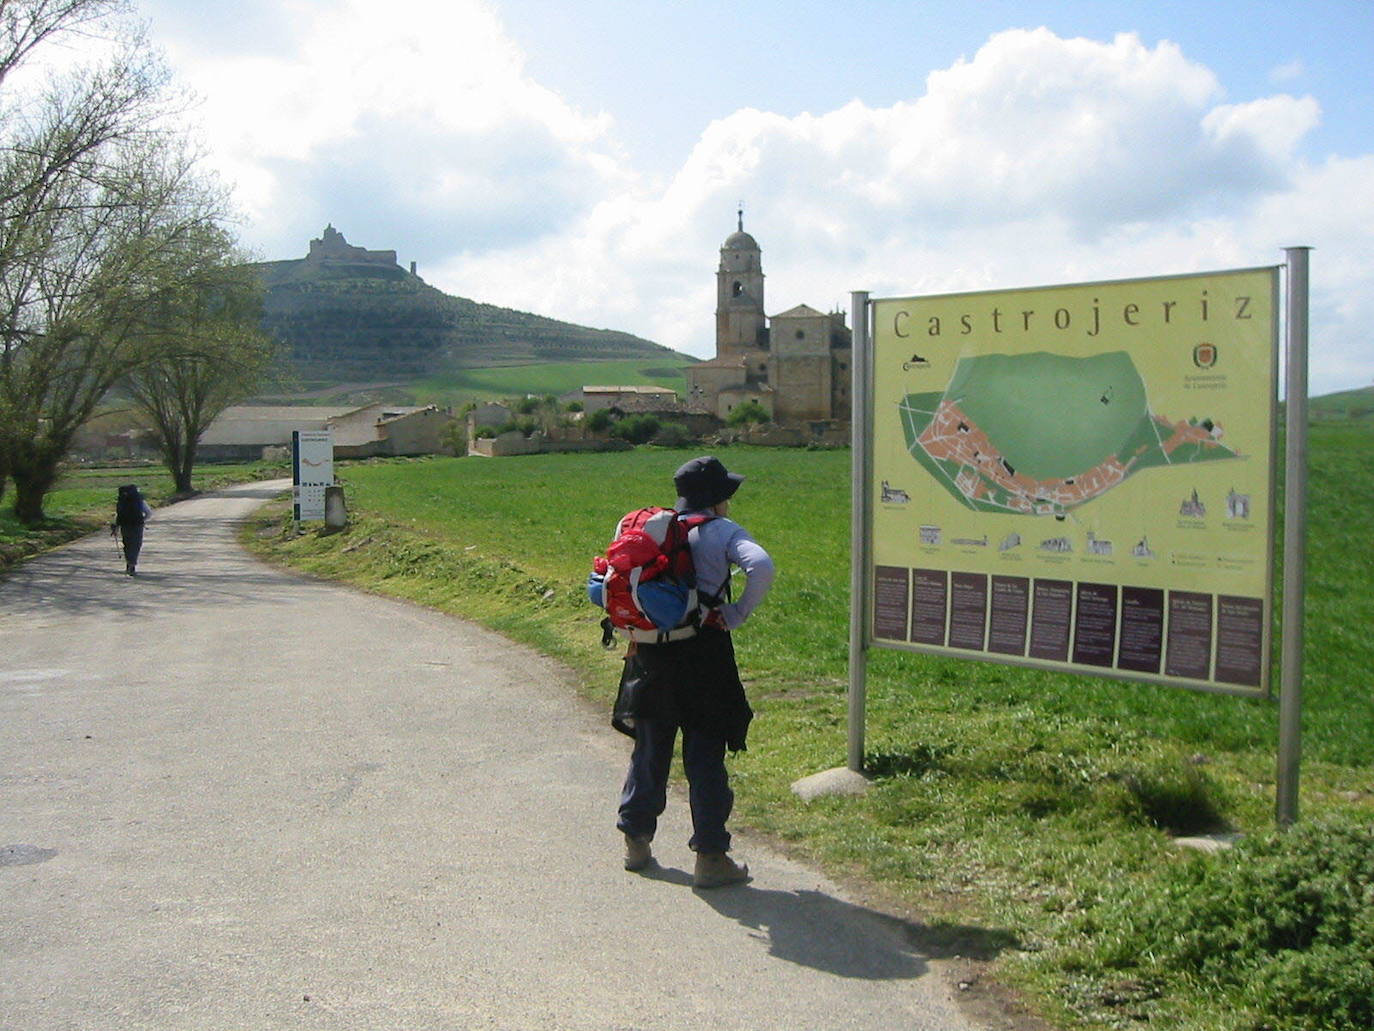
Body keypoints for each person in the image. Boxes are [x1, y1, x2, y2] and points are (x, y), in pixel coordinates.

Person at [616, 455, 775, 888]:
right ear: (719, 498)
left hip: (650, 652)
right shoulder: (721, 531)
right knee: (705, 753)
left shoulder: (652, 528)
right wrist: (737, 611)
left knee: (650, 749)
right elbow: (760, 565)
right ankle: (710, 857)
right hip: (704, 652)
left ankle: (636, 841)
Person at [113, 484, 152, 576]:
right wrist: (143, 520)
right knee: (136, 544)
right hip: (137, 525)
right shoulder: (139, 499)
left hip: (125, 525)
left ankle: (129, 563)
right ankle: (132, 564)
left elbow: (118, 514)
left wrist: (116, 526)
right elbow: (148, 512)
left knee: (127, 544)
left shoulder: (121, 500)